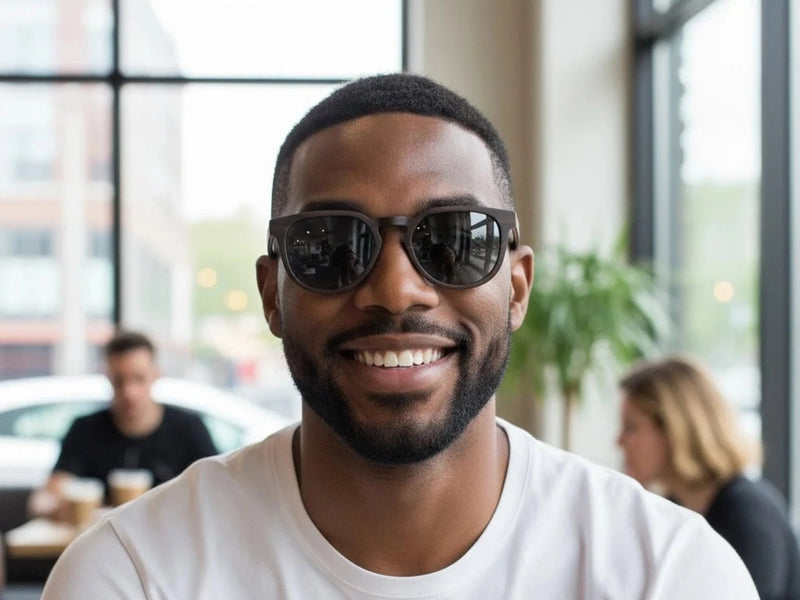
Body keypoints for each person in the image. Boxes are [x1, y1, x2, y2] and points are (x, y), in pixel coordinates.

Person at [42, 74, 757, 599]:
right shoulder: (132, 577)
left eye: (452, 239)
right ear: (272, 293)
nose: (395, 290)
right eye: (330, 245)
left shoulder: (668, 574)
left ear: (516, 286)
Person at [618, 355, 800, 600]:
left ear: (674, 429)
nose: (619, 442)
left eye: (631, 427)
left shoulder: (750, 515)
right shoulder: (674, 509)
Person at [30, 331, 217, 520]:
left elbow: (216, 491)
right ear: (108, 378)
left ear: (156, 375)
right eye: (119, 381)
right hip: (102, 543)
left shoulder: (189, 429)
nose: (129, 392)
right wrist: (60, 506)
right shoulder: (84, 430)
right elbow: (43, 500)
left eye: (139, 378)